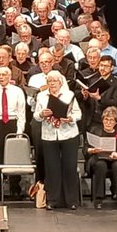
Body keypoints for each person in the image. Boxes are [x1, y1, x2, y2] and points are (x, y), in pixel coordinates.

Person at [35, 70, 82, 210]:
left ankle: (71, 200)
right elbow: (36, 115)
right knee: (52, 168)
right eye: (50, 81)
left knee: (69, 167)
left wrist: (70, 118)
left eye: (55, 81)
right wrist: (42, 114)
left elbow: (78, 113)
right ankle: (53, 200)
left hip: (68, 133)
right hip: (49, 135)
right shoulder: (42, 96)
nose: (52, 84)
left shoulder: (69, 95)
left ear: (60, 82)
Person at [84, 106, 117, 209]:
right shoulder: (95, 131)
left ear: (116, 122)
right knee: (100, 165)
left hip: (115, 159)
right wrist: (92, 150)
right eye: (106, 119)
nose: (108, 122)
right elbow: (85, 149)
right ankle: (99, 199)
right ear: (102, 120)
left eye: (111, 120)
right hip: (99, 159)